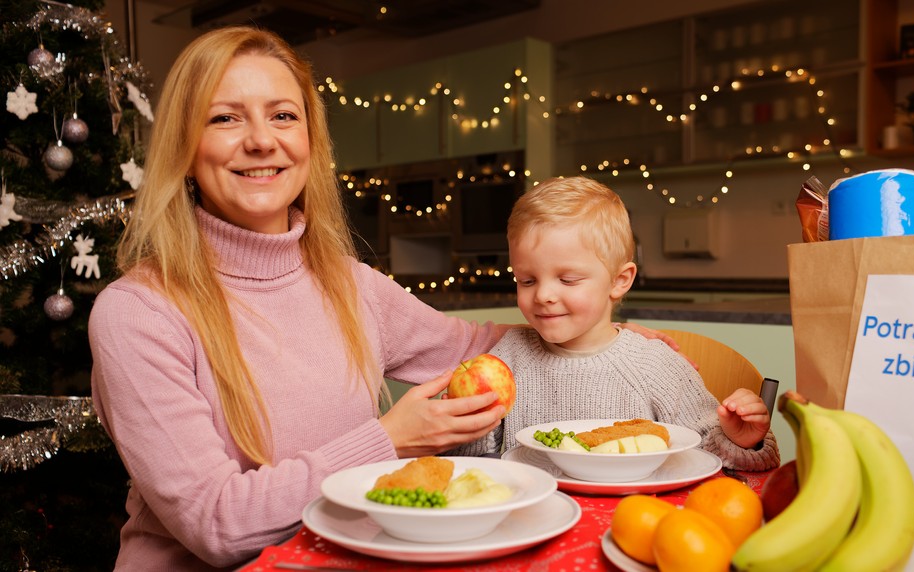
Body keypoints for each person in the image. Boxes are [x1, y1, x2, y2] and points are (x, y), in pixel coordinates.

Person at [87, 27, 674, 571]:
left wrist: (601, 341)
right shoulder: (138, 313)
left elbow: (474, 348)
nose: (262, 140)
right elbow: (215, 525)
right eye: (225, 118)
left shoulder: (348, 282)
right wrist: (389, 441)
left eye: (283, 116)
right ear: (185, 147)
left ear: (309, 142)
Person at [447, 176, 780, 472]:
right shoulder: (508, 358)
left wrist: (743, 440)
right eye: (527, 280)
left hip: (635, 518)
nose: (544, 295)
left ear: (620, 281)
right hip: (535, 520)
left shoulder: (655, 365)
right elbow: (474, 463)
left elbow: (711, 456)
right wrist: (460, 424)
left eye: (568, 279)